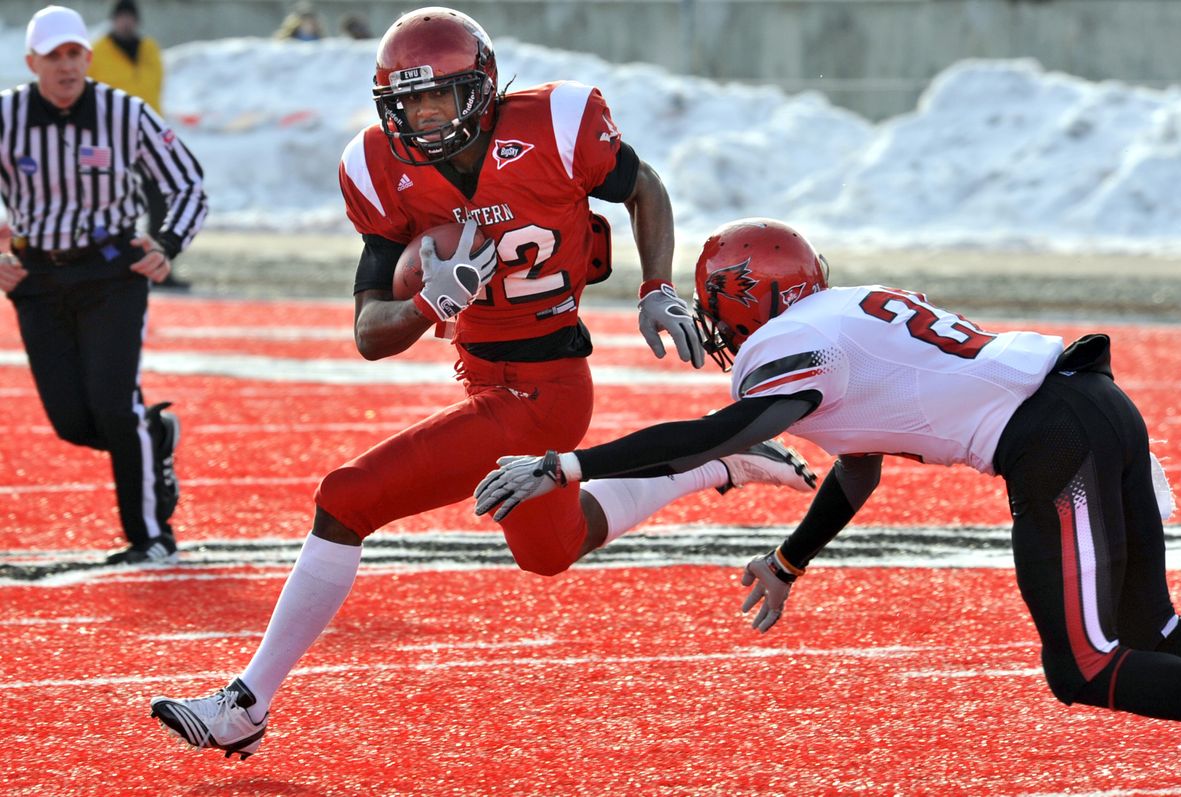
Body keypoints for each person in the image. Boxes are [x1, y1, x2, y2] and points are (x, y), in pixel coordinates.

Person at [147, 7, 813, 759]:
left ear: (485, 89)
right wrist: (436, 300)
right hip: (486, 380)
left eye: (441, 96)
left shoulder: (559, 124)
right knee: (551, 548)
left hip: (546, 389)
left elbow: (644, 185)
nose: (426, 115)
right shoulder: (376, 166)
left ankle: (247, 702)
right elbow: (370, 335)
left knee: (345, 497)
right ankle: (714, 463)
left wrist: (655, 284)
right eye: (411, 101)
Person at [469, 216, 1181, 725]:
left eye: (720, 311)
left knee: (1085, 666)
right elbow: (858, 470)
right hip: (1092, 404)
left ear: (747, 303)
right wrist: (790, 560)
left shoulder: (793, 342)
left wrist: (567, 465)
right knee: (1151, 628)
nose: (719, 331)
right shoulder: (845, 316)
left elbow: (718, 435)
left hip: (1056, 441)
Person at [0, 5, 207, 564]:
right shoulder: (5, 117)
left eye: (74, 55)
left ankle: (151, 538)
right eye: (53, 57)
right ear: (31, 62)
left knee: (114, 407)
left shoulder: (125, 113)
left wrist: (166, 244)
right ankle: (155, 436)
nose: (65, 67)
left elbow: (187, 184)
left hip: (111, 273)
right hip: (37, 278)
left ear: (87, 59)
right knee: (72, 422)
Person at [86, 0, 188, 290]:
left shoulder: (150, 50)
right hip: (106, 141)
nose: (126, 22)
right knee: (104, 204)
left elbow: (155, 92)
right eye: (121, 17)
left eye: (130, 17)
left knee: (160, 202)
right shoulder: (97, 52)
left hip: (146, 140)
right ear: (113, 20)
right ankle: (106, 264)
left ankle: (158, 265)